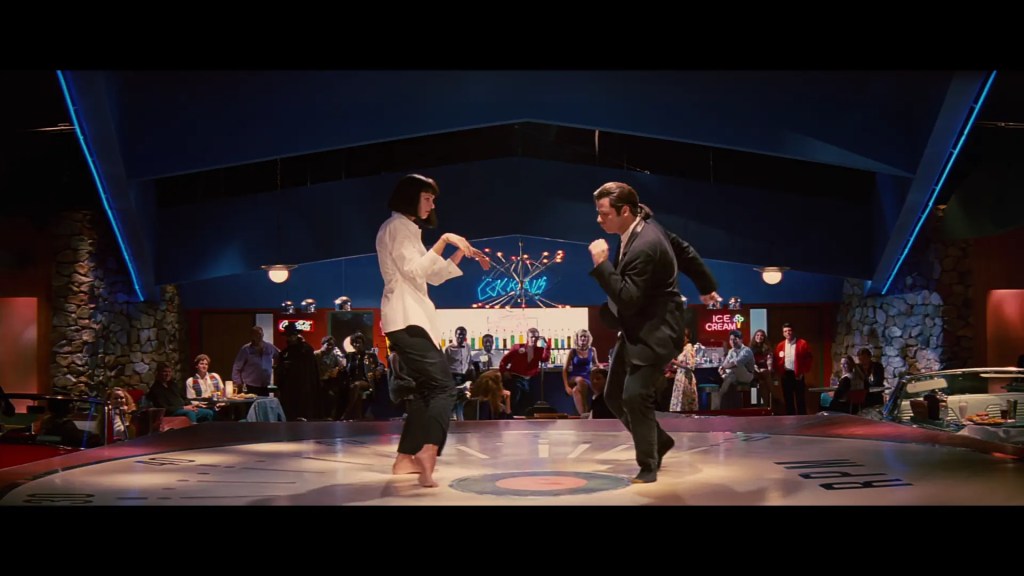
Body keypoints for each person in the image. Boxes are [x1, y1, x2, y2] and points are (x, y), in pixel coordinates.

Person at [588, 181, 719, 483]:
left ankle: (648, 465)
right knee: (613, 395)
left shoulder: (645, 244)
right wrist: (706, 286)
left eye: (604, 214)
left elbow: (628, 298)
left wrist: (601, 264)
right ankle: (659, 441)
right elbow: (684, 250)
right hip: (636, 327)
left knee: (635, 396)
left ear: (624, 211)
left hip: (656, 332)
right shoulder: (643, 225)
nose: (599, 219)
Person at [375, 173, 489, 487]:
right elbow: (416, 271)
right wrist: (445, 239)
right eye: (427, 198)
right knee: (443, 388)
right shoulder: (397, 227)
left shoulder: (405, 229)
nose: (432, 204)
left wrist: (460, 252)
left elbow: (432, 275)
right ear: (410, 197)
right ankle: (429, 450)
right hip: (407, 319)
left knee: (427, 390)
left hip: (409, 320)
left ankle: (404, 458)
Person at [774, 323, 813, 415]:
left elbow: (809, 358)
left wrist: (802, 371)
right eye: (785, 331)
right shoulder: (780, 345)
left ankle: (802, 419)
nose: (788, 333)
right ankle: (790, 419)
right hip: (786, 375)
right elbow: (776, 360)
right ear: (783, 333)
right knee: (788, 399)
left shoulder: (802, 343)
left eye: (789, 330)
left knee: (800, 399)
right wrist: (779, 372)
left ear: (793, 331)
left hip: (798, 375)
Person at [232, 326, 280, 397]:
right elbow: (236, 367)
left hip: (264, 386)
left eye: (260, 334)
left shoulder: (269, 347)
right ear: (252, 336)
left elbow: (280, 356)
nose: (258, 337)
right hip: (250, 386)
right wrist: (238, 383)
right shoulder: (246, 349)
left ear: (263, 335)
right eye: (256, 335)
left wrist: (276, 367)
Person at [562, 328, 598, 416]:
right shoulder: (572, 351)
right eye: (581, 336)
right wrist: (566, 387)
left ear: (588, 339)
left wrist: (601, 367)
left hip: (587, 377)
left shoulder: (592, 350)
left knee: (576, 390)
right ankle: (586, 406)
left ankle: (583, 415)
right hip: (574, 377)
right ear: (577, 339)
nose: (583, 338)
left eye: (585, 337)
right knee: (580, 380)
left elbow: (596, 363)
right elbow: (565, 369)